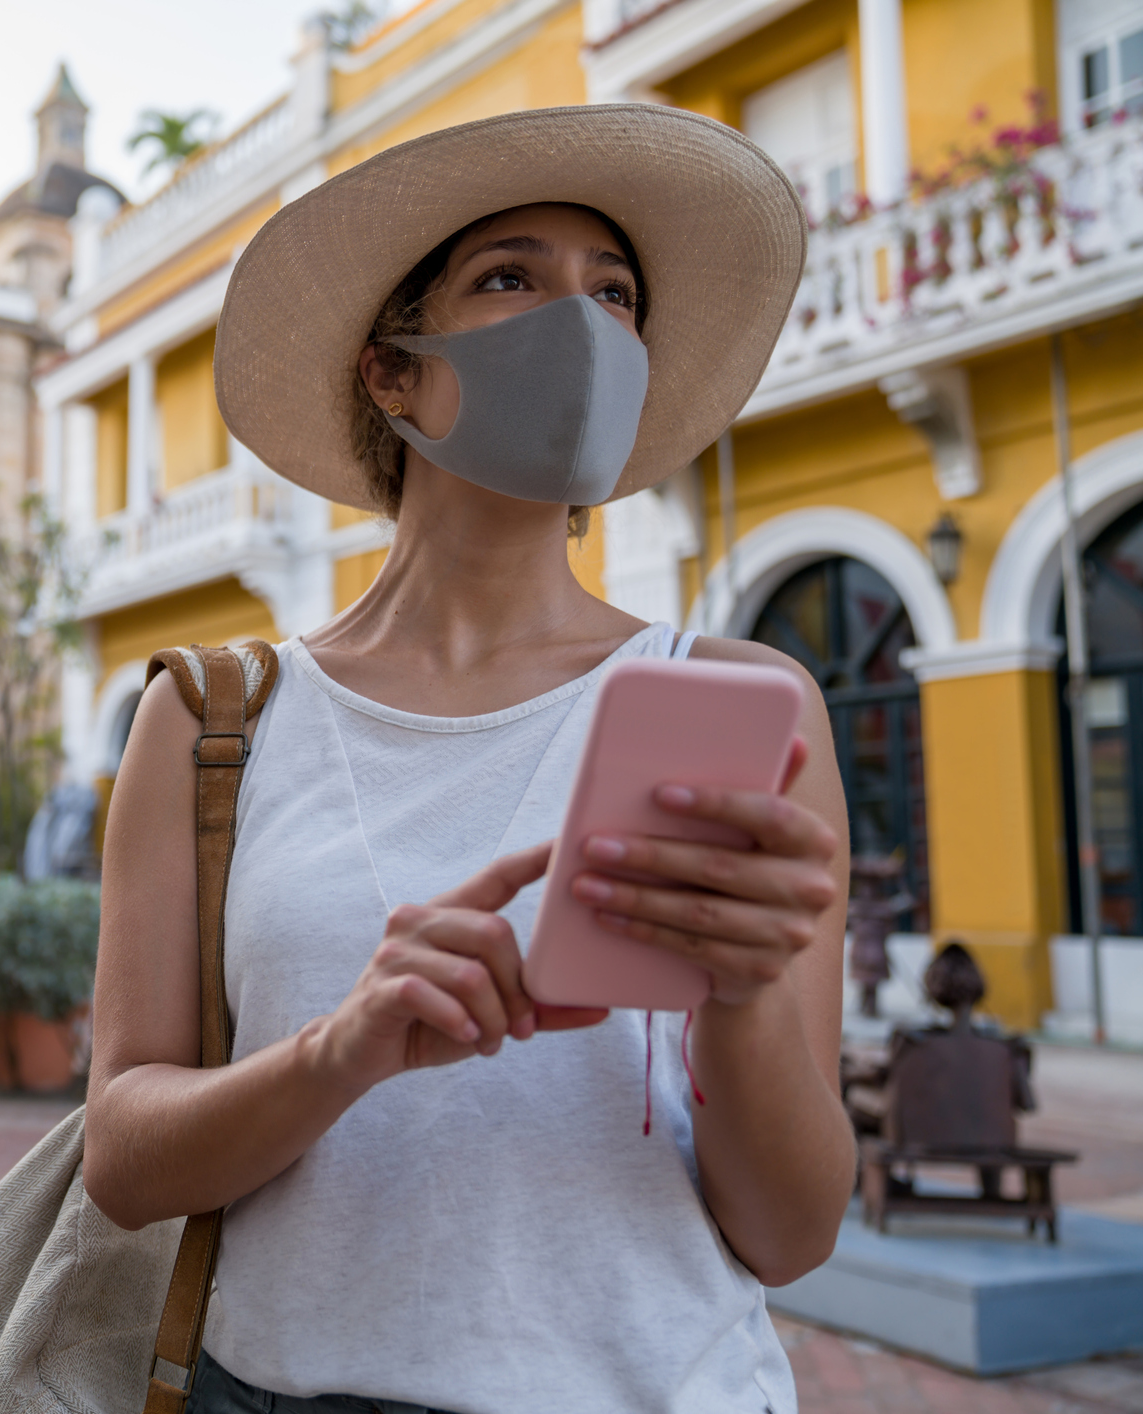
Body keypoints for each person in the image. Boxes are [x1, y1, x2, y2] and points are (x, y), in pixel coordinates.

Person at [87, 106, 852, 1413]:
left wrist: (739, 999)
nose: (584, 323)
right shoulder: (213, 719)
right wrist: (339, 1052)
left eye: (616, 294)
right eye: (512, 277)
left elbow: (792, 1233)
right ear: (392, 373)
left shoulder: (738, 700)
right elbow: (122, 1158)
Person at [847, 855, 916, 1018]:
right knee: (866, 983)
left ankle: (869, 1007)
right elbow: (907, 899)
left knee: (870, 984)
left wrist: (898, 877)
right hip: (865, 951)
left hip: (871, 951)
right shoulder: (868, 908)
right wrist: (900, 881)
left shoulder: (868, 908)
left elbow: (907, 900)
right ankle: (866, 1007)